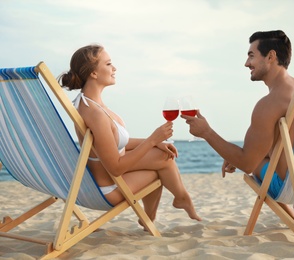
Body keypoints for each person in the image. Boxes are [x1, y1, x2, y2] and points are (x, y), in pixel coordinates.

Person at [58, 44, 201, 228]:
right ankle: (177, 201)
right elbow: (116, 167)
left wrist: (156, 142)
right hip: (109, 189)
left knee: (162, 156)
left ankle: (158, 211)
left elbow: (113, 143)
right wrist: (152, 140)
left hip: (106, 180)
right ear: (93, 73)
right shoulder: (95, 113)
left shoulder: (88, 103)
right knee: (163, 162)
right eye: (109, 64)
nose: (114, 68)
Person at [181, 30, 294, 223]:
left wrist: (206, 133)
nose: (246, 63)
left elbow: (247, 163)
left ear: (271, 56)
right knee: (266, 152)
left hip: (291, 189)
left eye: (251, 56)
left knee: (254, 161)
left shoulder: (270, 103)